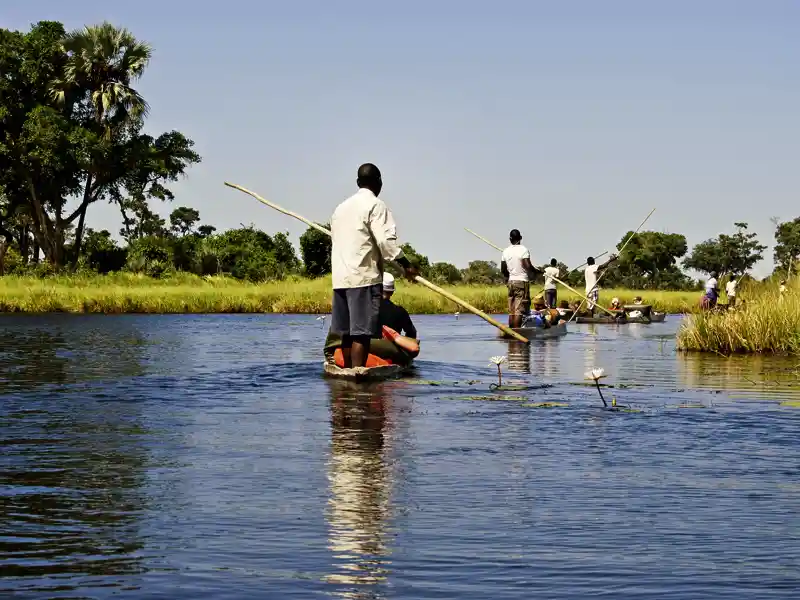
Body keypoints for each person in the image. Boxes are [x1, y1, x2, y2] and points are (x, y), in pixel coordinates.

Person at [330, 163, 418, 368]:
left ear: (358, 182)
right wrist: (407, 265)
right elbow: (386, 243)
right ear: (379, 182)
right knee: (361, 333)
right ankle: (359, 374)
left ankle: (346, 371)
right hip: (363, 278)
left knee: (345, 333)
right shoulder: (376, 206)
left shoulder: (340, 209)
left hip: (341, 279)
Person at [501, 229, 537, 328]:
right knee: (519, 310)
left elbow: (503, 269)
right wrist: (536, 271)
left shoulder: (506, 251)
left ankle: (511, 333)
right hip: (521, 281)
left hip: (511, 282)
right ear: (520, 238)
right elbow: (527, 266)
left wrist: (508, 277)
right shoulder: (523, 250)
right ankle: (517, 333)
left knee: (512, 310)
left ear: (510, 239)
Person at [379, 273, 417, 339]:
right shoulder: (400, 311)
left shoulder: (365, 309)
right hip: (392, 347)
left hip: (369, 346)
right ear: (392, 292)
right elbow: (412, 332)